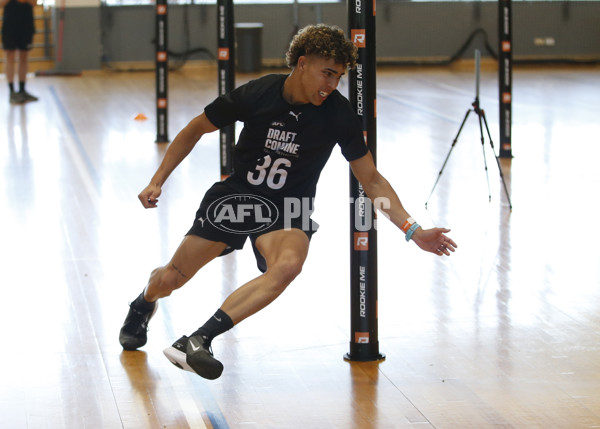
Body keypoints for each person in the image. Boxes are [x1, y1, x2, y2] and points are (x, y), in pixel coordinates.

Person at [119, 24, 457, 380]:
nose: (331, 85)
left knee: (288, 266)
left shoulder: (339, 114)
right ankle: (143, 302)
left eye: (339, 77)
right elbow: (194, 129)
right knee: (170, 279)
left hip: (288, 209)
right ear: (302, 64)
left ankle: (200, 339)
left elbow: (371, 178)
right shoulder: (259, 92)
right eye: (326, 73)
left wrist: (412, 229)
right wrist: (157, 180)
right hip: (236, 197)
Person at [1, 0, 38, 104]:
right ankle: (12, 91)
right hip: (10, 24)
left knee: (24, 56)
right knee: (9, 56)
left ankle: (22, 90)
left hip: (26, 22)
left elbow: (34, 2)